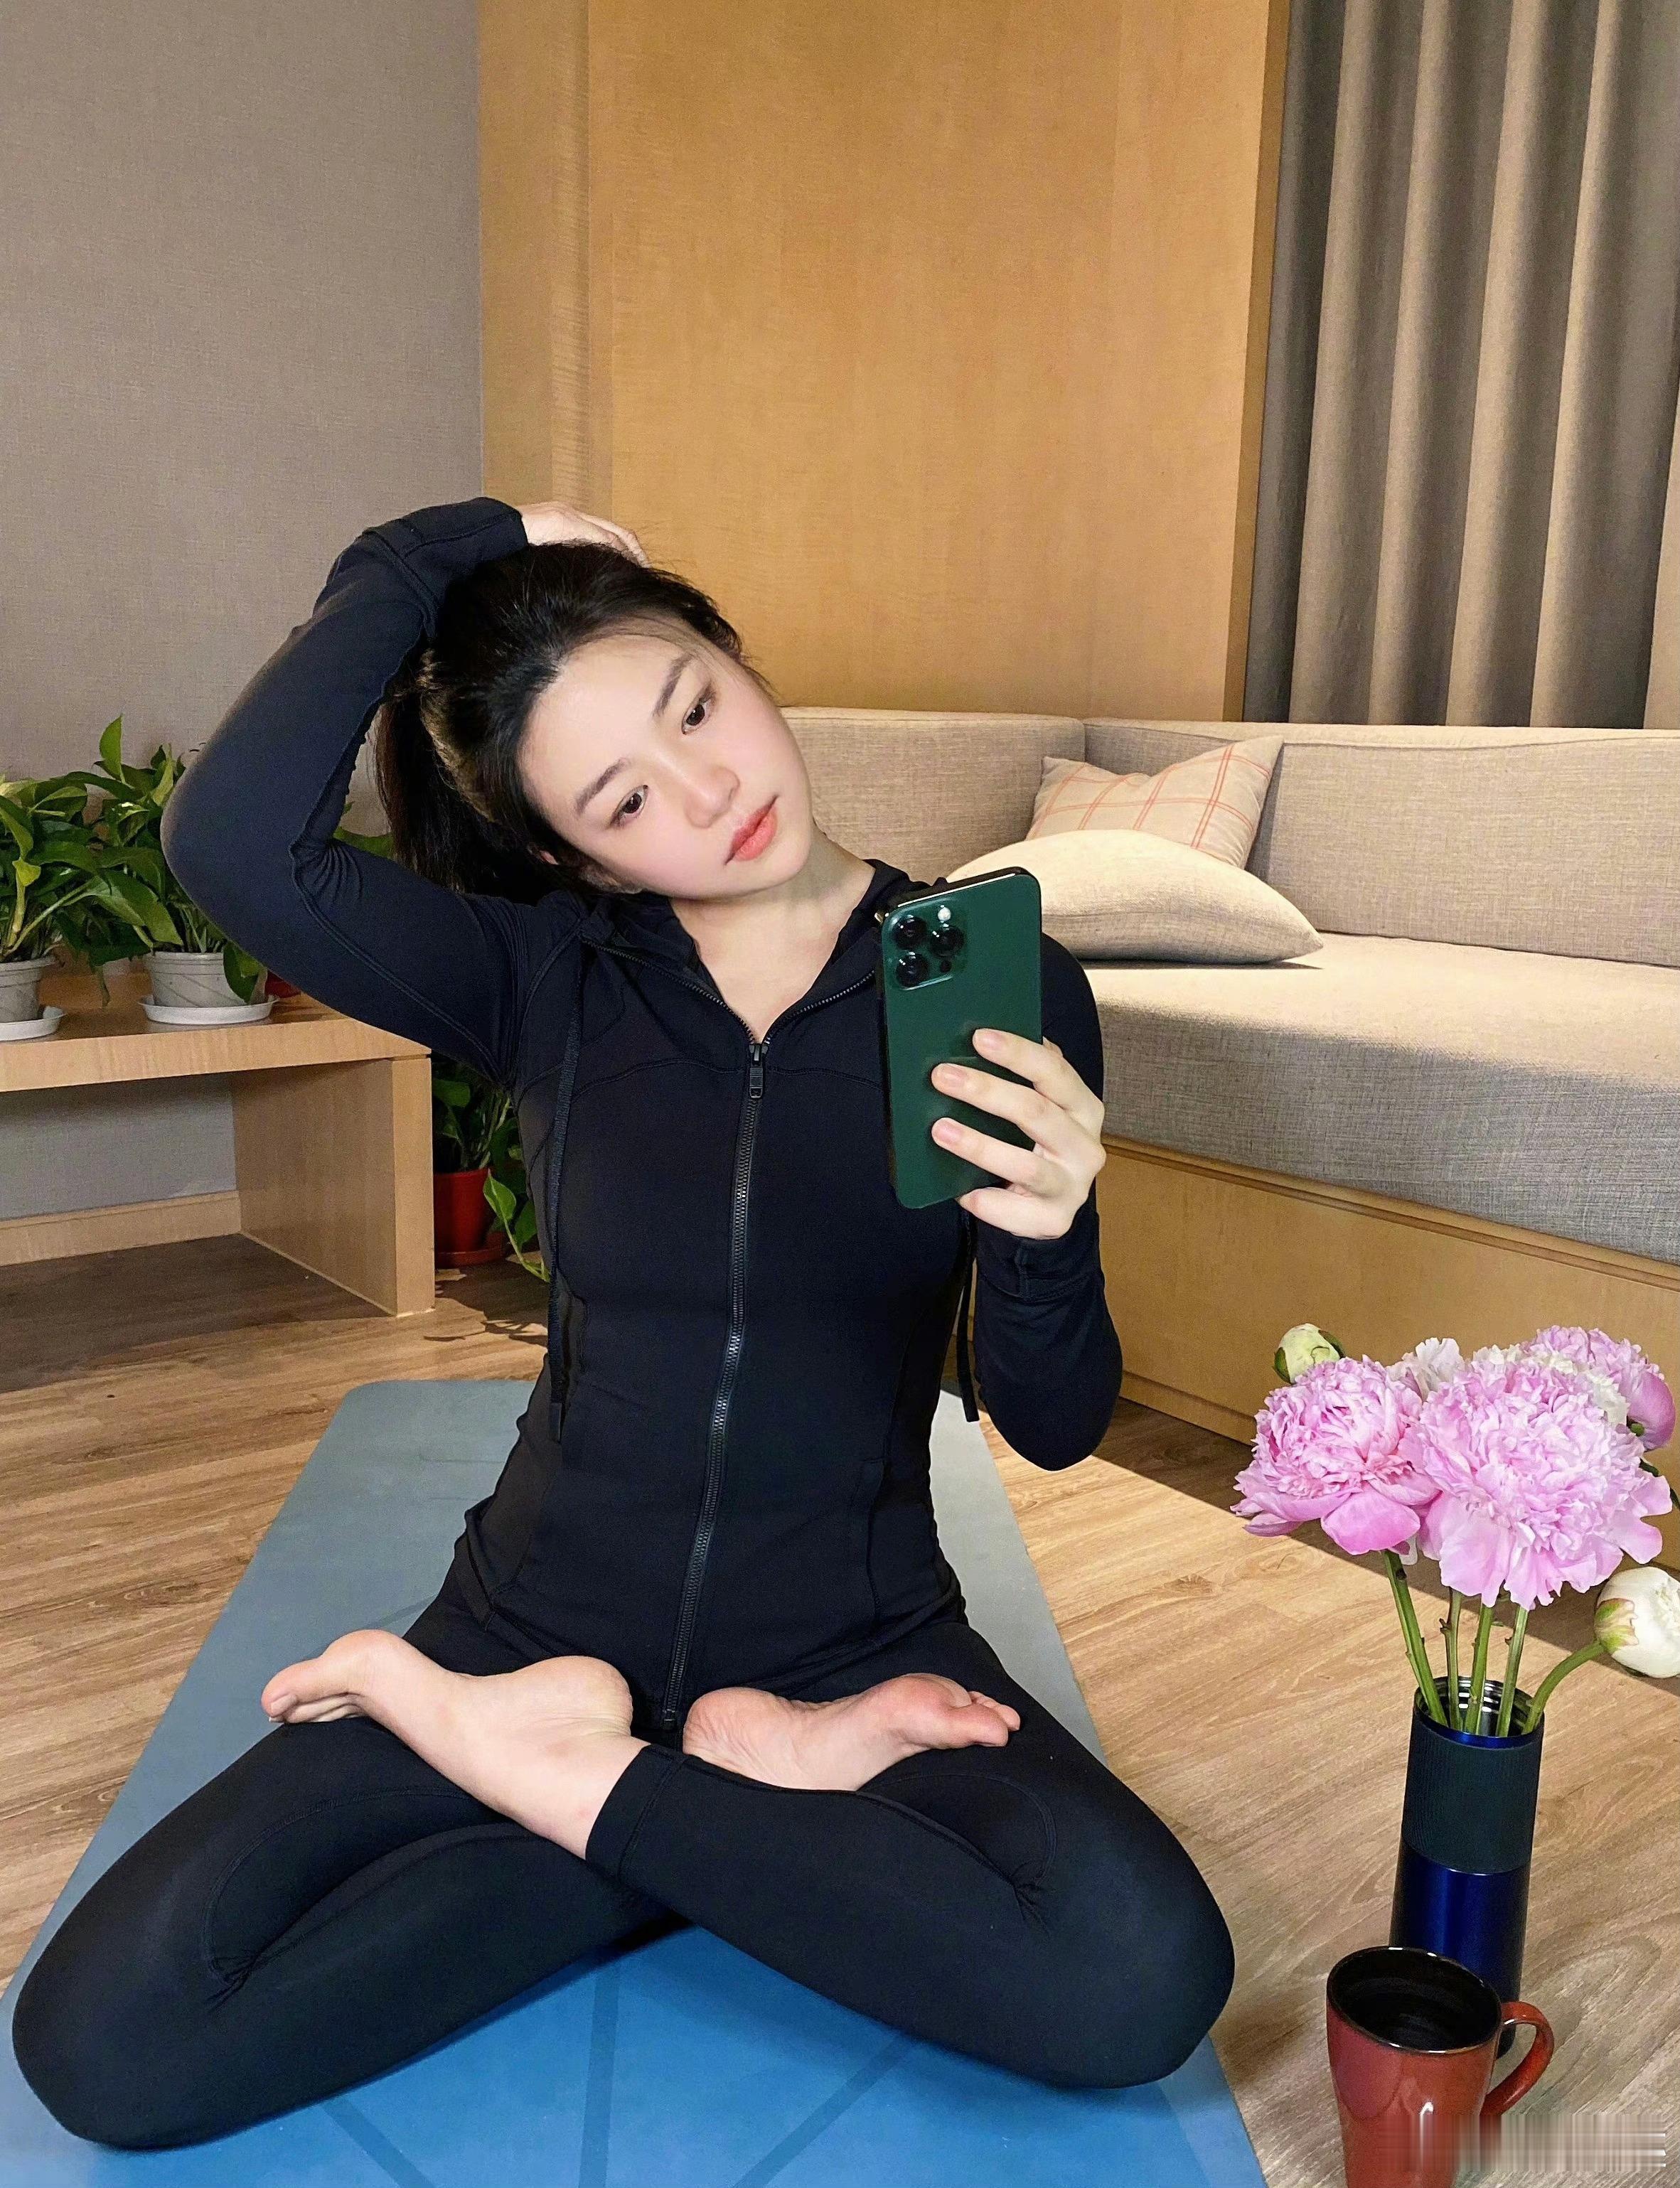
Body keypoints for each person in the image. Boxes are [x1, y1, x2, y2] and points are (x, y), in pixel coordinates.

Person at [10, 496, 1236, 2150]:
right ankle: (711, 1795)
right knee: (108, 2043)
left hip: (855, 1648)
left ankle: (574, 1772)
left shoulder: (987, 982)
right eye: (626, 799)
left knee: (1138, 1979)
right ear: (575, 859)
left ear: (738, 660)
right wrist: (443, 549)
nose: (711, 793)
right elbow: (231, 844)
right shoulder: (543, 975)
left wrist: (1050, 1232)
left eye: (696, 708)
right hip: (529, 1621)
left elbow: (1055, 1424)